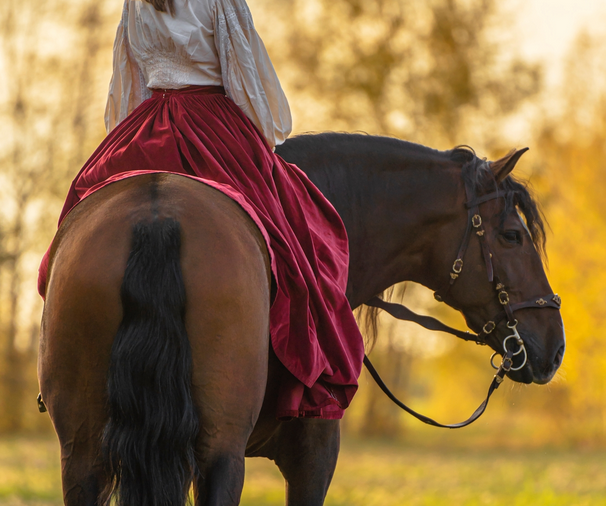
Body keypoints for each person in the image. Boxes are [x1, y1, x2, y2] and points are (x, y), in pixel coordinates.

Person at [39, 0, 364, 420]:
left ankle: (58, 371)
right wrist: (261, 143)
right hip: (214, 124)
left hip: (146, 124)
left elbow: (129, 80)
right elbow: (247, 78)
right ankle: (298, 377)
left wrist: (125, 137)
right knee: (298, 230)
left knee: (79, 216)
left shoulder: (136, 3)